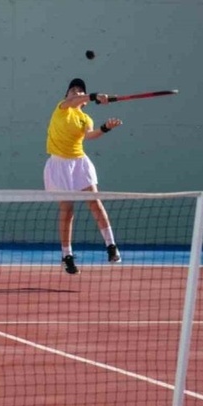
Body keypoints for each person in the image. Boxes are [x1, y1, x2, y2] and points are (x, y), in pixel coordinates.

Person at [44, 77, 123, 274]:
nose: (76, 93)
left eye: (80, 91)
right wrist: (96, 95)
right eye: (73, 90)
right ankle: (66, 255)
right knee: (68, 210)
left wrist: (105, 128)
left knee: (95, 202)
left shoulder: (85, 118)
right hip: (59, 164)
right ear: (67, 95)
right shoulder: (62, 107)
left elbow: (89, 135)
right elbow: (72, 101)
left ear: (85, 102)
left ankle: (111, 246)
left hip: (79, 162)